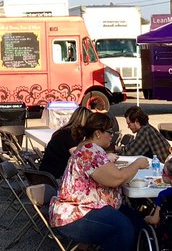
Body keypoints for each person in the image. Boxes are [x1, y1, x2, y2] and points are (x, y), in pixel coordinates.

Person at [49, 112, 148, 251]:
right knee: (123, 228)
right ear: (97, 133)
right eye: (110, 132)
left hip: (86, 207)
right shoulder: (89, 151)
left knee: (137, 222)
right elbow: (117, 178)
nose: (112, 135)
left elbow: (109, 175)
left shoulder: (88, 148)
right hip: (75, 214)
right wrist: (137, 164)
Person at [39, 107, 94, 180]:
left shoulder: (64, 132)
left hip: (48, 174)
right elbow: (79, 157)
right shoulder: (69, 135)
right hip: (55, 177)